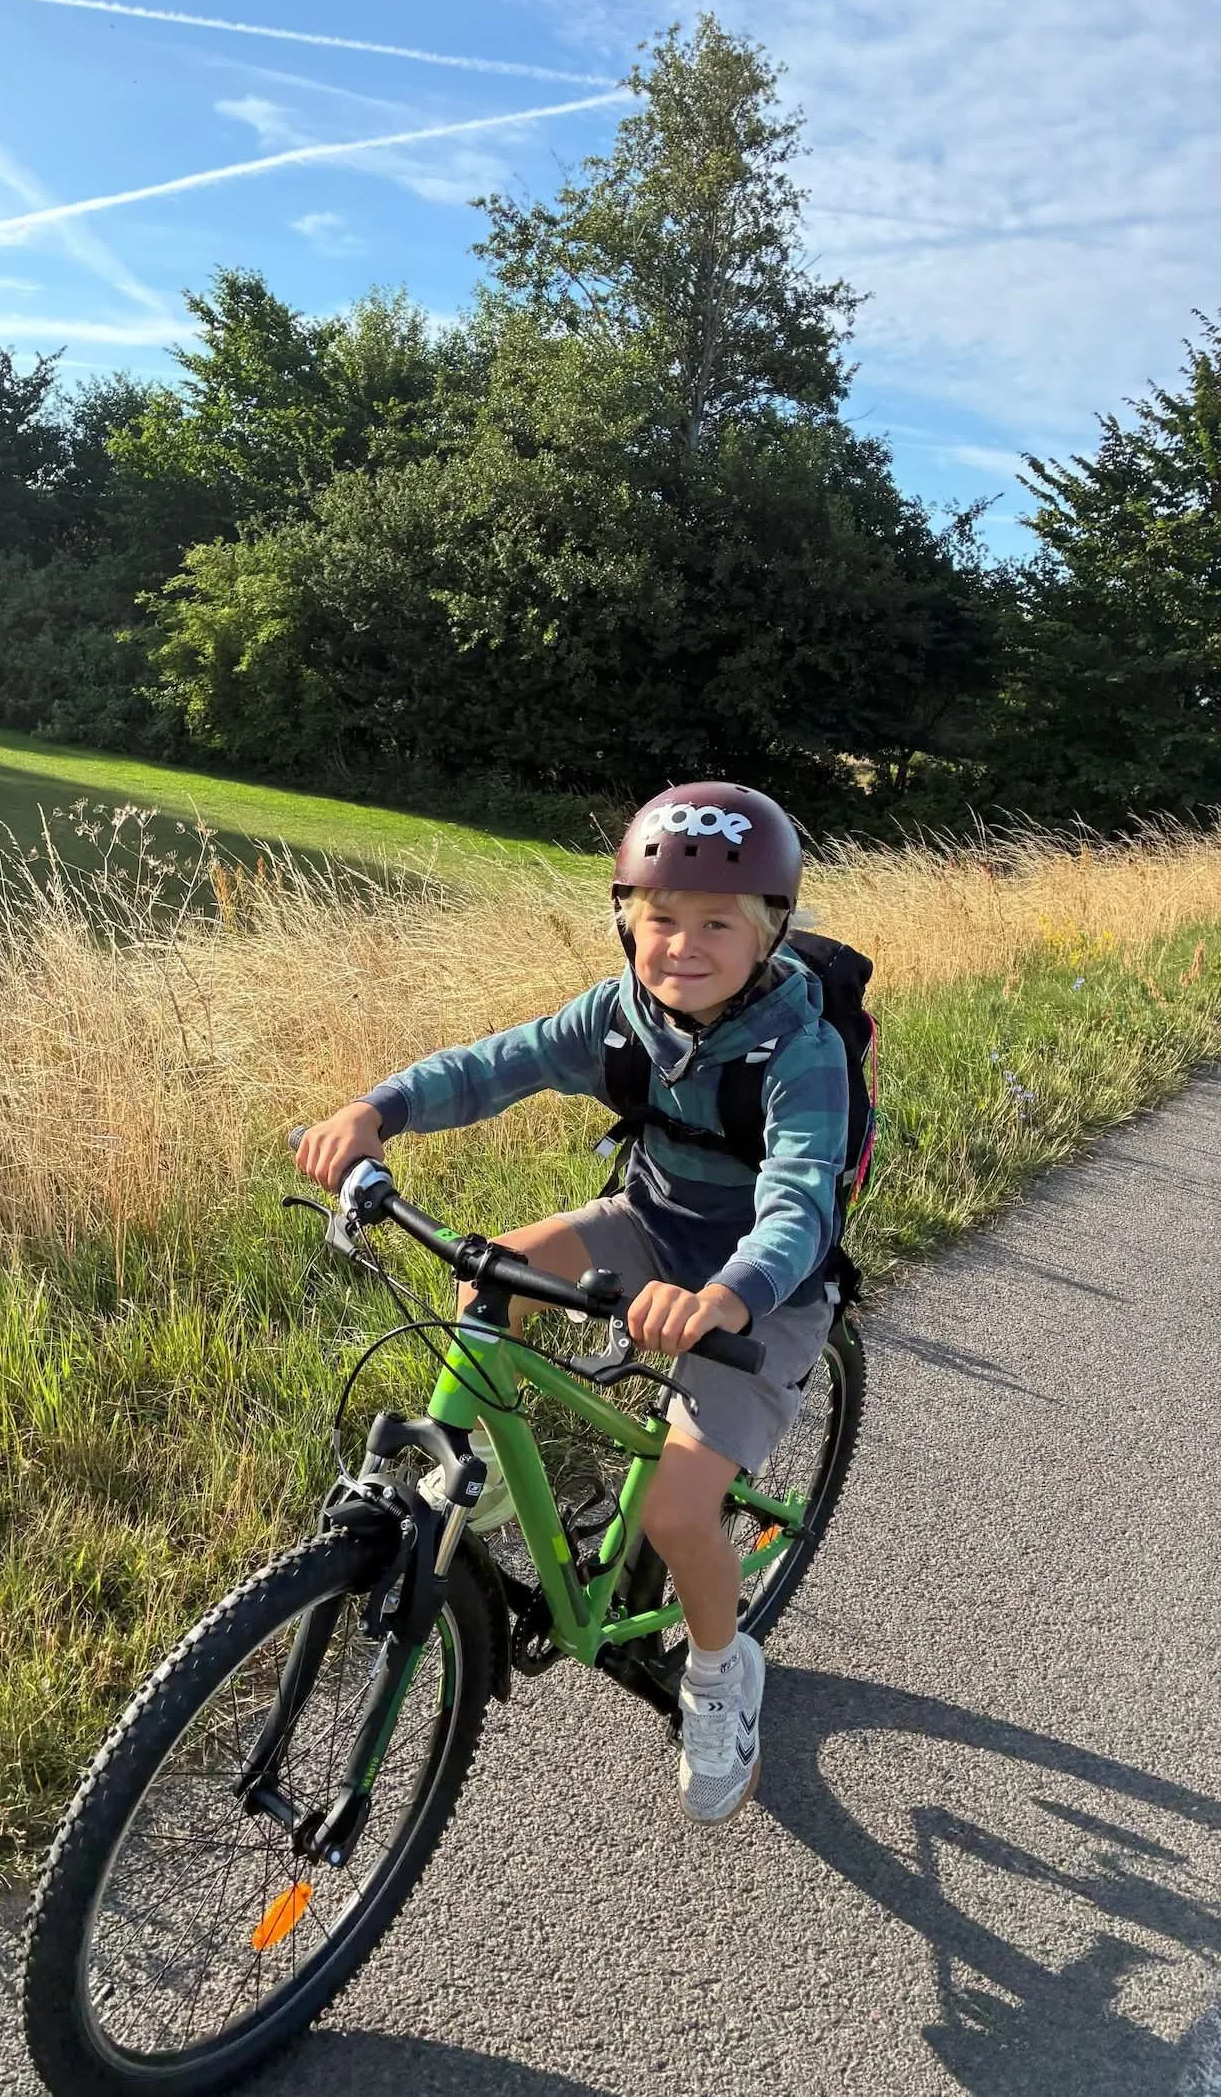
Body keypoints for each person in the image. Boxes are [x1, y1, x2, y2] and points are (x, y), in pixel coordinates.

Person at [293, 782, 849, 1825]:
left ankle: (725, 1674)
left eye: (717, 923)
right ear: (626, 922)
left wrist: (728, 1295)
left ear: (770, 930)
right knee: (489, 1273)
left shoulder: (799, 1050)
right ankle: (494, 1478)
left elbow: (802, 1196)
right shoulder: (619, 1017)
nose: (683, 945)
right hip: (647, 1227)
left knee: (683, 1508)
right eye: (661, 920)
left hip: (759, 1295)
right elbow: (493, 1067)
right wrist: (379, 1110)